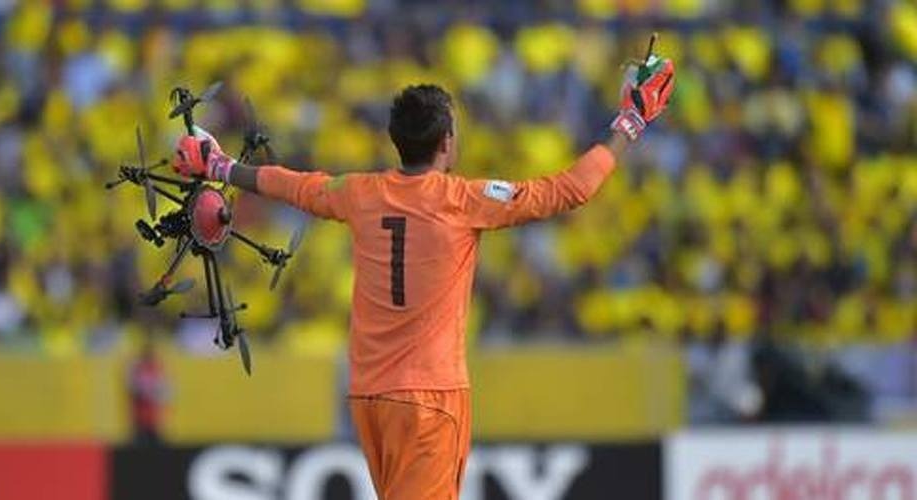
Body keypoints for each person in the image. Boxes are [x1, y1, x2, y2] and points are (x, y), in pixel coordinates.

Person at [173, 57, 675, 499]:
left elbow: (296, 186)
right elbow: (570, 189)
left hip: (370, 394)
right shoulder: (461, 201)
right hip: (429, 400)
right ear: (447, 142)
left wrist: (221, 165)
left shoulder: (360, 193)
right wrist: (631, 120)